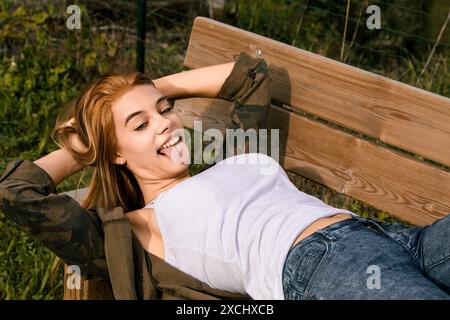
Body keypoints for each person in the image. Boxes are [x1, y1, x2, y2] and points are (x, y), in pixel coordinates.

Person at [0, 52, 449, 300]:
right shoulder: (136, 229)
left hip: (397, 240)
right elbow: (16, 191)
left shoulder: (229, 159)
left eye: (164, 112)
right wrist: (84, 149)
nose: (165, 123)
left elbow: (251, 74)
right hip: (319, 267)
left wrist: (156, 89)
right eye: (139, 125)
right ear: (115, 152)